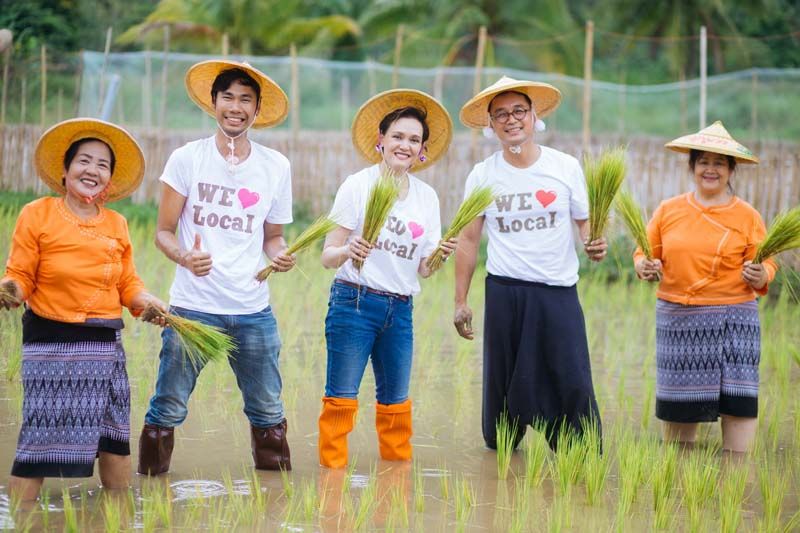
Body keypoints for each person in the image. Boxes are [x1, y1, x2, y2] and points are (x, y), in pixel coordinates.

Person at [138, 60, 296, 474]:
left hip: (252, 310)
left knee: (267, 408)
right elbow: (163, 232)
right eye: (228, 97)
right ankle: (149, 487)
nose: (236, 107)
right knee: (168, 405)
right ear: (213, 102)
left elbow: (273, 236)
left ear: (257, 109)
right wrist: (185, 257)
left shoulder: (276, 166)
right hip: (193, 307)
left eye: (246, 99)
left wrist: (280, 254)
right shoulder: (187, 159)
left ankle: (275, 494)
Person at [0, 118, 167, 501]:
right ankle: (19, 518)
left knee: (114, 437)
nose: (92, 170)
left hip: (104, 345)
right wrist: (9, 291)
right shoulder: (37, 214)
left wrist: (147, 302)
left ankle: (119, 514)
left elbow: (128, 284)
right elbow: (20, 276)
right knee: (38, 440)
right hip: (50, 343)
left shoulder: (116, 223)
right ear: (65, 169)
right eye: (84, 161)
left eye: (102, 165)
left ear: (108, 179)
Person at [453, 76, 608, 451]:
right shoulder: (483, 174)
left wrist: (593, 243)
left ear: (535, 116)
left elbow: (584, 223)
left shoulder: (564, 167)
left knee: (570, 375)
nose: (511, 120)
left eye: (519, 111)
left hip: (557, 291)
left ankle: (578, 449)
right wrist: (460, 301)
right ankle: (505, 448)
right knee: (503, 394)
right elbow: (468, 239)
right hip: (506, 292)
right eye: (501, 114)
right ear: (491, 125)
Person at [317, 89, 456, 468]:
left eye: (414, 140)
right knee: (341, 398)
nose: (404, 145)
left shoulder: (427, 198)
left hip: (400, 310)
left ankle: (395, 487)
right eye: (397, 136)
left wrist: (440, 255)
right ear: (381, 140)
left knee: (396, 402)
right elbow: (327, 256)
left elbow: (423, 268)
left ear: (422, 149)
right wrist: (349, 250)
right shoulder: (358, 185)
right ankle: (331, 488)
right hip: (353, 303)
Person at [634, 121, 776, 454]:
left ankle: (735, 473)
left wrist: (761, 275)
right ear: (692, 167)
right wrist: (644, 266)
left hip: (734, 319)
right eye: (703, 162)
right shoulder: (669, 210)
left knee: (737, 404)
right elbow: (644, 253)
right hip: (679, 318)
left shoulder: (747, 216)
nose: (710, 169)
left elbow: (767, 263)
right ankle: (682, 482)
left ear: (731, 170)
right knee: (680, 421)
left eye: (719, 163)